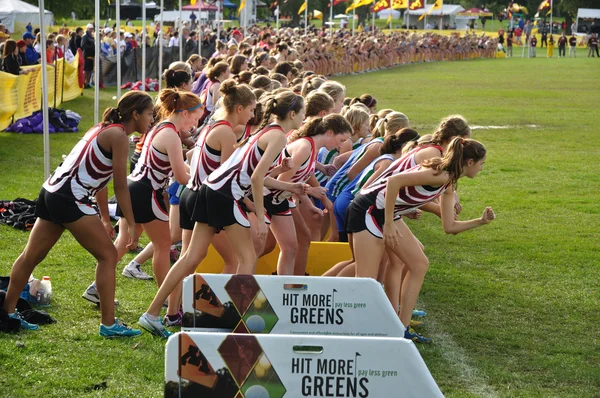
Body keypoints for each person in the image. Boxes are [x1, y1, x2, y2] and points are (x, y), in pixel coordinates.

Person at [138, 90, 309, 338]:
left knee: (191, 257)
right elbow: (256, 178)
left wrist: (289, 186)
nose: (304, 118)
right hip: (224, 194)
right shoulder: (278, 137)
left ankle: (151, 314)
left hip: (210, 190)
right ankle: (236, 323)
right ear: (292, 114)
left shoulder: (265, 132)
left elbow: (251, 174)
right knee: (247, 257)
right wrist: (261, 217)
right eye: (302, 113)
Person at [1, 91, 155, 337]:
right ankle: (109, 324)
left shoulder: (104, 128)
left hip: (51, 191)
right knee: (108, 256)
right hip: (68, 197)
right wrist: (133, 224)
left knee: (30, 256)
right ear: (135, 114)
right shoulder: (119, 136)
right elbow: (120, 185)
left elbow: (100, 178)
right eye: (149, 113)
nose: (152, 118)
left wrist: (105, 218)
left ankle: (8, 314)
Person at [347, 137, 495, 343]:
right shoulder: (442, 176)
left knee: (419, 264)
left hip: (384, 212)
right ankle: (353, 333)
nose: (481, 169)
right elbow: (393, 181)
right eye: (481, 164)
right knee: (366, 281)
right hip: (367, 209)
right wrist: (389, 223)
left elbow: (449, 227)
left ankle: (401, 329)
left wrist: (480, 221)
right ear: (470, 162)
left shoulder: (448, 183)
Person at [81, 24, 95, 88]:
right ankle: (83, 83)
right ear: (87, 28)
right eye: (90, 28)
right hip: (87, 55)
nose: (91, 30)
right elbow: (83, 45)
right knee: (86, 71)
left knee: (89, 71)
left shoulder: (91, 36)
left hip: (91, 55)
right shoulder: (85, 36)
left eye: (92, 28)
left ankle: (87, 83)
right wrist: (91, 47)